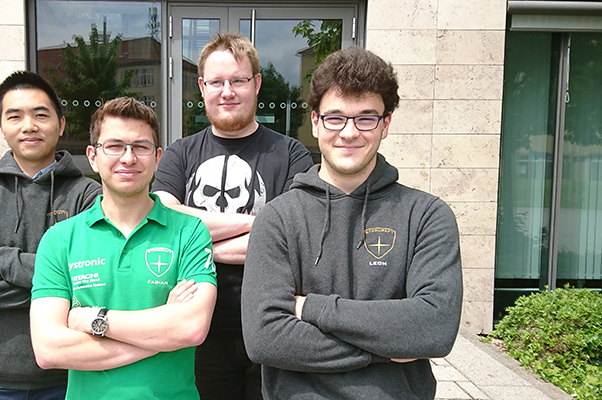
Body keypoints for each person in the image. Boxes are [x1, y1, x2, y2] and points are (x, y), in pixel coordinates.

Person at [240, 47, 464, 400]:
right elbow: (265, 339)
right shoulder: (278, 219)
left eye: (366, 118)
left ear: (385, 124)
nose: (349, 132)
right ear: (316, 122)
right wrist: (387, 348)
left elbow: (435, 329)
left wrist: (311, 308)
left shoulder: (426, 216)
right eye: (335, 117)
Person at [152, 32, 313, 400]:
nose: (227, 92)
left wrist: (197, 246)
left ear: (256, 84)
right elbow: (165, 220)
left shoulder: (292, 154)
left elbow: (294, 238)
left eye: (238, 80)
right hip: (199, 331)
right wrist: (263, 225)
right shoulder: (179, 153)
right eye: (217, 82)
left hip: (273, 326)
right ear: (202, 87)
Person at [29, 97, 218, 400]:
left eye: (140, 147)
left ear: (157, 158)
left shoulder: (190, 232)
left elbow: (192, 328)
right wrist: (163, 331)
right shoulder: (60, 239)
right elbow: (49, 349)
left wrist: (95, 319)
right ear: (93, 157)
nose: (128, 158)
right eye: (114, 146)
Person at [0, 70, 101, 400]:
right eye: (15, 116)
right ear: (1, 126)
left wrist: (3, 260)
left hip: (71, 375)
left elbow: (92, 279)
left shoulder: (89, 197)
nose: (28, 126)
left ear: (61, 124)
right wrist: (57, 287)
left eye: (40, 115)